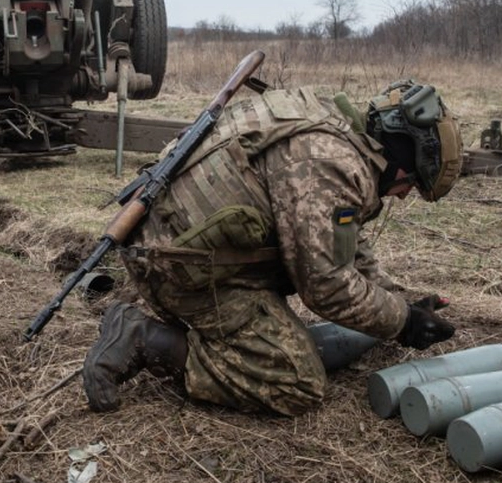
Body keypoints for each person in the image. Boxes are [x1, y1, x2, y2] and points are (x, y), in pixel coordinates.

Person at [82, 80, 463, 416]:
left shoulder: (332, 126)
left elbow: (341, 239)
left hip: (178, 243)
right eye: (411, 183)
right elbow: (325, 285)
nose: (404, 193)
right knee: (296, 383)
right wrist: (403, 323)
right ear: (400, 159)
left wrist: (399, 301)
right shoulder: (331, 163)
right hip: (182, 271)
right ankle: (143, 337)